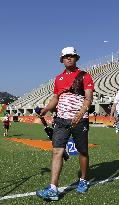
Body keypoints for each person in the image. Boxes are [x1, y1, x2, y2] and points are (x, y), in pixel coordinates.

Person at [36, 47, 94, 201]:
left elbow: (88, 99)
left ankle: (83, 179)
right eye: (66, 56)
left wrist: (80, 114)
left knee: (82, 151)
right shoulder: (58, 78)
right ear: (62, 60)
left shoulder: (85, 76)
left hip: (80, 120)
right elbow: (55, 98)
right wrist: (46, 109)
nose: (69, 58)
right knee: (57, 151)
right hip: (61, 120)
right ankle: (53, 188)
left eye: (72, 56)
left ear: (76, 58)